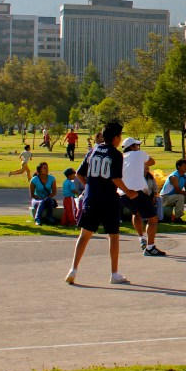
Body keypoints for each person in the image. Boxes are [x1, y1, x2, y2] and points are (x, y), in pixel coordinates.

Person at [65, 122, 139, 285]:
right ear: (116, 138)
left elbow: (79, 173)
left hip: (91, 198)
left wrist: (90, 186)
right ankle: (114, 273)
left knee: (85, 235)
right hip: (108, 200)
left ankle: (73, 269)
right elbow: (115, 178)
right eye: (120, 136)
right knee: (113, 236)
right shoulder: (116, 154)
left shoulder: (93, 150)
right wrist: (129, 192)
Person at [119, 137, 164, 255]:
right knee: (153, 219)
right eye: (136, 145)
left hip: (123, 194)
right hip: (136, 192)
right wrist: (141, 161)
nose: (138, 147)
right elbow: (152, 162)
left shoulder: (121, 157)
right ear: (132, 147)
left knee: (136, 213)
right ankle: (150, 248)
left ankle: (141, 238)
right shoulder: (139, 154)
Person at [160, 159, 186, 223]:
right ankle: (177, 218)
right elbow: (178, 191)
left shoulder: (185, 176)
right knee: (180, 197)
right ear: (179, 167)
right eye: (184, 166)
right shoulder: (174, 176)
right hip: (165, 197)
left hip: (174, 197)